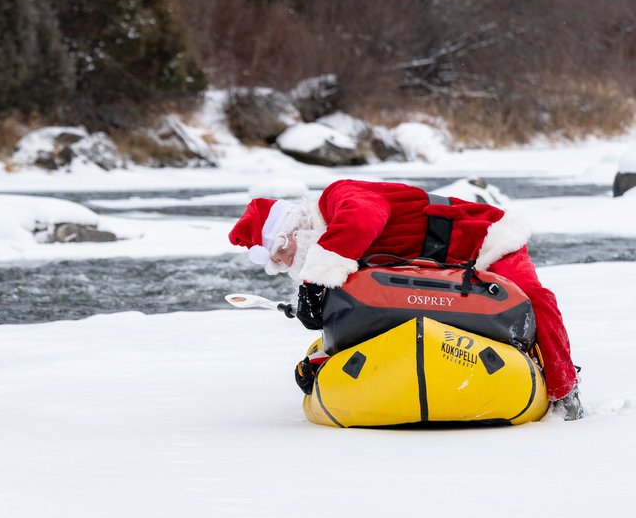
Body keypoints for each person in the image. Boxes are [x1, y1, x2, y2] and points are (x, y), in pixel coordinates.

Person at [229, 179, 582, 419]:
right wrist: (321, 360)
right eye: (278, 265)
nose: (286, 264)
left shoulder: (339, 196)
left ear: (293, 229)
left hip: (485, 239)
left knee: (535, 300)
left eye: (282, 254)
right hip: (439, 274)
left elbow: (364, 219)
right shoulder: (338, 258)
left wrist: (314, 282)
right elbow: (367, 317)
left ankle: (565, 390)